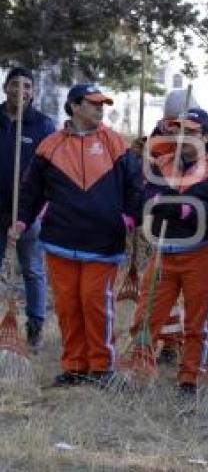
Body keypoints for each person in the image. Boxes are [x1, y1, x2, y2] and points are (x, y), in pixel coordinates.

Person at [13, 84, 142, 387]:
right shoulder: (50, 145)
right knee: (68, 306)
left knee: (95, 304)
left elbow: (136, 187)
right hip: (59, 241)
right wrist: (21, 222)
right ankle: (74, 366)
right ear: (74, 106)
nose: (100, 109)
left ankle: (101, 368)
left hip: (103, 242)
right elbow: (31, 191)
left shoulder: (115, 143)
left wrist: (127, 217)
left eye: (103, 104)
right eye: (93, 103)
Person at [129, 108, 208, 395]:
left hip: (201, 254)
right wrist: (185, 206)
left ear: (206, 136)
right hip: (163, 252)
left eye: (192, 131)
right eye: (179, 130)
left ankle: (189, 379)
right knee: (145, 318)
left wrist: (183, 208)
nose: (183, 137)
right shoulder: (162, 162)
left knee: (197, 322)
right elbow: (147, 198)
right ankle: (139, 371)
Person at [0, 67, 54, 351]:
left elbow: (50, 172)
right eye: (15, 84)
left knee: (32, 269)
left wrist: (38, 209)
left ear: (33, 92)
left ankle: (35, 327)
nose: (21, 90)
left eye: (27, 86)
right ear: (5, 87)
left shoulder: (43, 126)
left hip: (28, 211)